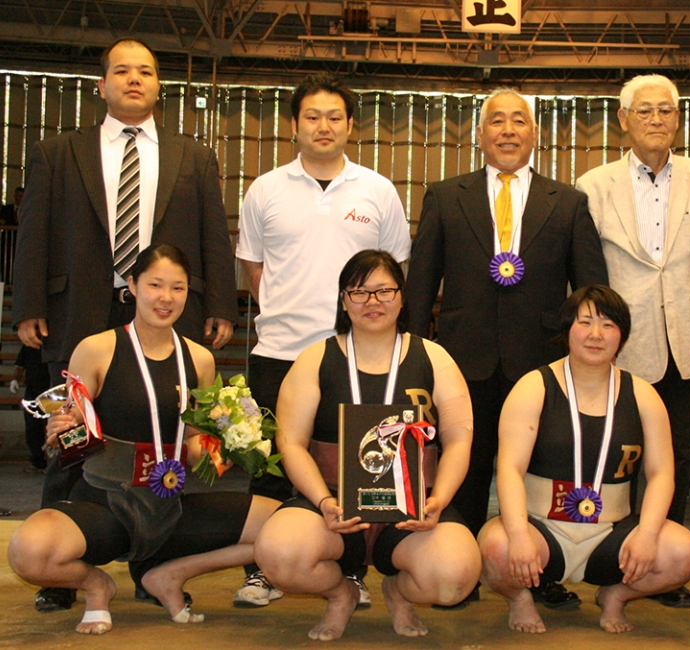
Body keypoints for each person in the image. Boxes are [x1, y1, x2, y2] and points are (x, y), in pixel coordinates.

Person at [11, 37, 238, 613]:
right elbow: (33, 231)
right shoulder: (59, 151)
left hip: (165, 307)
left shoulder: (194, 155)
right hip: (79, 309)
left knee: (163, 429)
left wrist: (220, 306)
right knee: (74, 431)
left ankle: (152, 561)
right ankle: (62, 572)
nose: (134, 79)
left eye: (145, 71)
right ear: (101, 84)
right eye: (121, 71)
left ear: (160, 85)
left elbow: (213, 233)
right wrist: (28, 304)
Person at [5, 244, 278, 636]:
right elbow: (75, 428)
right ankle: (97, 587)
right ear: (132, 285)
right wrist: (61, 432)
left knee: (288, 527)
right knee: (28, 551)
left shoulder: (200, 359)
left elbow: (198, 443)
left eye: (178, 288)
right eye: (155, 285)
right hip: (105, 504)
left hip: (172, 508)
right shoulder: (97, 348)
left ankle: (169, 575)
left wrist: (230, 449)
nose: (166, 298)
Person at [405, 87, 606, 609]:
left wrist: (585, 358)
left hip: (540, 366)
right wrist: (416, 353)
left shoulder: (569, 203)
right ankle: (461, 573)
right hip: (460, 358)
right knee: (465, 468)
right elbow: (422, 281)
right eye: (498, 121)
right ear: (480, 134)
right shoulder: (446, 196)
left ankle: (542, 576)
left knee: (542, 472)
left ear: (536, 135)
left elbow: (590, 290)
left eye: (520, 121)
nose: (509, 130)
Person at [234, 71, 411, 608]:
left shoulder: (378, 190)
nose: (324, 126)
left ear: (351, 125)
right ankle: (260, 569)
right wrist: (287, 315)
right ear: (293, 125)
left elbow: (392, 270)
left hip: (354, 358)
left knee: (350, 470)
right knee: (267, 465)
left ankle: (350, 571)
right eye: (312, 116)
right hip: (280, 354)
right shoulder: (265, 189)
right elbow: (252, 266)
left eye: (335, 116)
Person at [254, 250, 480, 641]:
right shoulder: (315, 359)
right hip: (334, 505)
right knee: (279, 555)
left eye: (383, 291)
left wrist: (438, 500)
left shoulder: (434, 357)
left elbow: (460, 438)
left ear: (402, 296)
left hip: (415, 507)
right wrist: (323, 502)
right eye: (359, 292)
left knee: (454, 577)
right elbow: (290, 442)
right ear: (344, 301)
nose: (372, 302)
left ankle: (397, 591)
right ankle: (341, 593)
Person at [576, 74, 690, 607]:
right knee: (615, 453)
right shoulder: (594, 183)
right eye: (645, 112)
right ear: (623, 120)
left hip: (683, 337)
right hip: (617, 343)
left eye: (667, 111)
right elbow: (587, 271)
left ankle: (665, 565)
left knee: (678, 454)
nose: (657, 120)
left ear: (678, 118)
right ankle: (610, 553)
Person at [479, 285, 690, 634]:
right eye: (585, 322)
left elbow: (661, 474)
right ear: (567, 330)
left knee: (683, 552)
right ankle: (520, 599)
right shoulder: (533, 386)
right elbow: (509, 467)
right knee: (495, 548)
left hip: (613, 535)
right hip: (542, 529)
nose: (596, 335)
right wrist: (520, 533)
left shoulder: (643, 394)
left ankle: (615, 596)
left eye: (608, 325)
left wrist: (647, 533)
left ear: (622, 336)